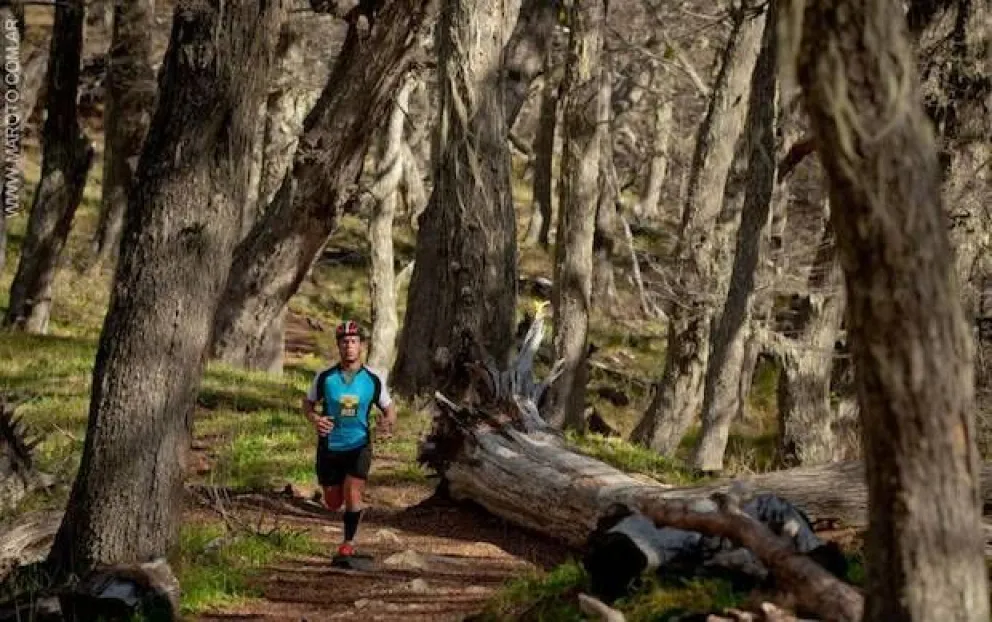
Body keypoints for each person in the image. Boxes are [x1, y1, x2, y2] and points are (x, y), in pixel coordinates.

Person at [303, 319, 397, 558]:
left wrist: (387, 422)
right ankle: (336, 500)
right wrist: (315, 419)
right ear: (338, 346)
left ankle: (348, 542)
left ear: (361, 346)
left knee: (353, 493)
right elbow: (308, 403)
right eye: (344, 342)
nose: (349, 346)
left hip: (359, 444)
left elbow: (389, 408)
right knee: (334, 501)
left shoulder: (373, 379)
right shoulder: (325, 378)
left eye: (354, 341)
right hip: (330, 445)